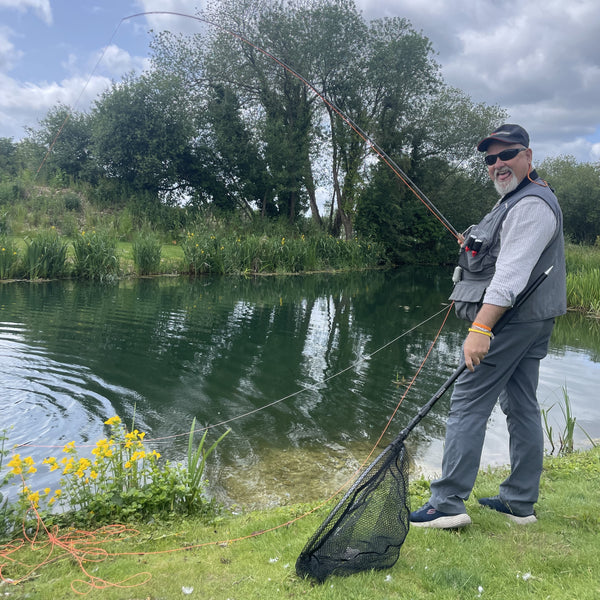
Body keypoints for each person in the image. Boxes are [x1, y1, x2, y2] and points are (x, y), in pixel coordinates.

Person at [410, 124, 566, 528]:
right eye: (490, 159)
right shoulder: (513, 200)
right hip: (530, 321)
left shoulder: (531, 205)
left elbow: (511, 275)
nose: (497, 164)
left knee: (467, 399)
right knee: (521, 403)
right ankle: (519, 501)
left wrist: (480, 330)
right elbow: (504, 255)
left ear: (528, 156)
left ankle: (446, 504)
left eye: (507, 154)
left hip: (512, 322)